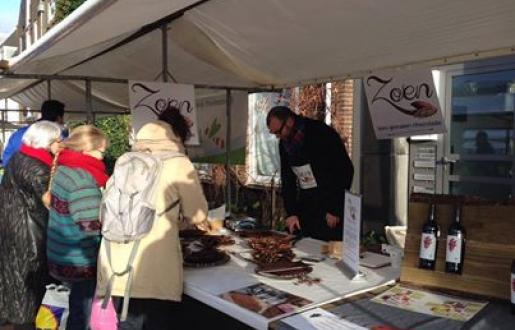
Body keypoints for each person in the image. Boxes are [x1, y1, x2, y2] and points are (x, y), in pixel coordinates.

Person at [96, 106, 209, 329]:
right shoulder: (178, 163)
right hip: (153, 270)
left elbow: (104, 211)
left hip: (116, 265)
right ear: (177, 136)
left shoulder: (124, 161)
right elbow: (198, 214)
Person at [0, 121, 62, 327]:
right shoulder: (37, 167)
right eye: (58, 140)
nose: (61, 144)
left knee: (12, 276)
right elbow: (48, 201)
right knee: (28, 280)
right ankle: (24, 320)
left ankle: (11, 316)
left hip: (11, 223)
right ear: (48, 142)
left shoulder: (19, 157)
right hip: (28, 230)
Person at [46, 125, 109, 330]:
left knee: (73, 309)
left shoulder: (64, 169)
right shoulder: (83, 180)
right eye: (101, 151)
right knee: (81, 316)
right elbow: (90, 228)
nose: (103, 157)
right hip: (80, 261)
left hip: (61, 253)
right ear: (86, 150)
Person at [266, 106, 354, 241]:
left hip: (329, 208)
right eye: (274, 134)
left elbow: (345, 170)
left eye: (278, 131)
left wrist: (334, 208)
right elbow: (287, 178)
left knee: (327, 252)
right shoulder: (284, 144)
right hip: (306, 207)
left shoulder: (320, 132)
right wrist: (292, 213)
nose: (278, 136)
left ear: (289, 121)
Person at [2, 100, 65, 167]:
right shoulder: (59, 136)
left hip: (16, 174)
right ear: (59, 118)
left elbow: (6, 161)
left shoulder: (19, 133)